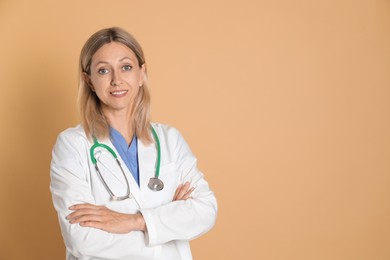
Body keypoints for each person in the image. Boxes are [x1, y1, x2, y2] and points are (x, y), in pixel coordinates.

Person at [50, 27, 217, 260]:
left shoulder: (170, 139)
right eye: (104, 70)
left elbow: (206, 211)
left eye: (126, 67)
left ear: (141, 74)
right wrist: (168, 223)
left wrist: (133, 221)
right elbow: (82, 240)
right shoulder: (72, 145)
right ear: (89, 81)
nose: (117, 80)